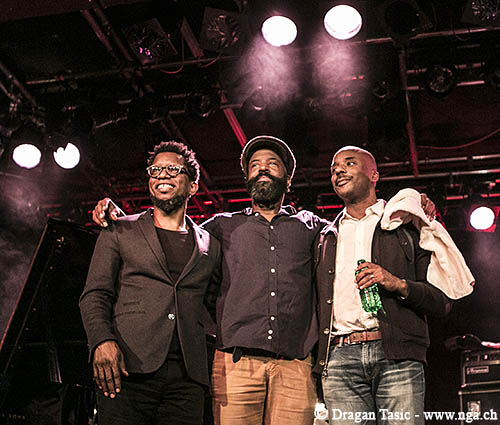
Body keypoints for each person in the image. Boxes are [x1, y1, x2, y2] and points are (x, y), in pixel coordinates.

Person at [91, 137, 437, 425]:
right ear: (247, 178)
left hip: (295, 367)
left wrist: (414, 204)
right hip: (235, 366)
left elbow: (358, 222)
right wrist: (120, 215)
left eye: (272, 163)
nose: (262, 169)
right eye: (255, 165)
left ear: (288, 179)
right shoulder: (218, 228)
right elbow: (170, 230)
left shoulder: (315, 229)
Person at [313, 146, 460, 424]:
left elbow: (442, 301)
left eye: (349, 163)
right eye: (333, 168)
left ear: (374, 175)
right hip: (340, 359)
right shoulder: (324, 237)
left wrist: (397, 283)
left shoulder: (407, 225)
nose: (338, 170)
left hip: (398, 356)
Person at [79, 141, 221, 425]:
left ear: (193, 186)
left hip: (188, 381)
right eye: (155, 170)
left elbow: (220, 304)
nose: (162, 174)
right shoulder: (119, 229)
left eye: (173, 169)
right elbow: (95, 294)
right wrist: (101, 341)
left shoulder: (211, 245)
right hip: (127, 371)